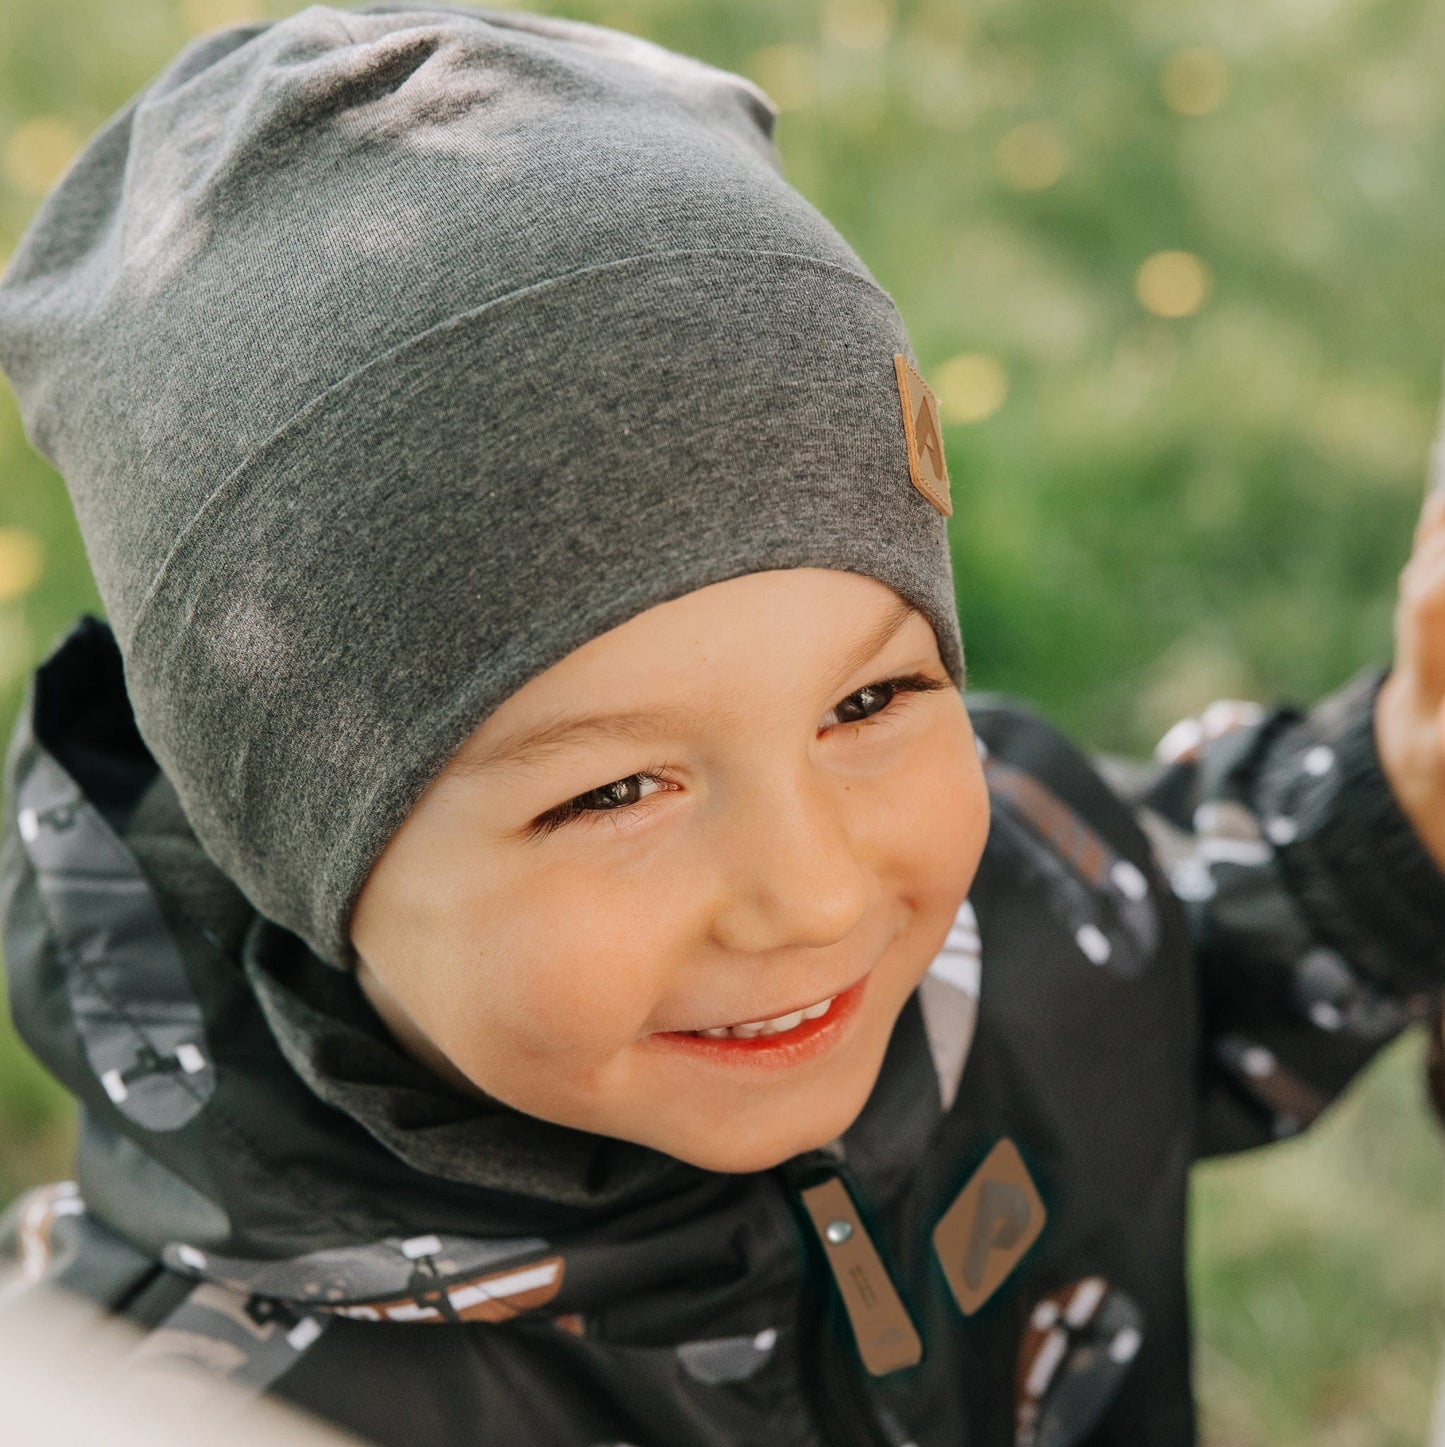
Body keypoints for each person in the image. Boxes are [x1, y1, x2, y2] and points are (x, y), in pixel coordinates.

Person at [0, 6, 1441, 1445]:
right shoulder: (196, 1410)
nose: (815, 893)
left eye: (869, 700)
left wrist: (1394, 812)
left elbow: (1160, 949)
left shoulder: (994, 908)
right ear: (290, 846)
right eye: (617, 792)